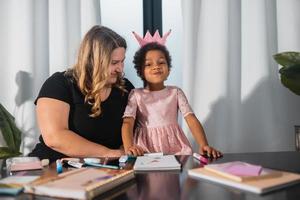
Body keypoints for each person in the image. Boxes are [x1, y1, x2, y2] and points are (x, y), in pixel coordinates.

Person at [29, 25, 134, 163]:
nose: (120, 68)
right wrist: (108, 153)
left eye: (122, 61)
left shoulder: (125, 88)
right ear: (93, 60)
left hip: (105, 171)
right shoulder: (59, 84)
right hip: (52, 167)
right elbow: (54, 138)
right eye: (114, 62)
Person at [121, 30, 222, 158]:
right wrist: (129, 147)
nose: (156, 67)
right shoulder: (136, 95)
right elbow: (127, 123)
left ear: (169, 69)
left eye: (161, 62)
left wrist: (203, 144)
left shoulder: (175, 92)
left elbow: (191, 119)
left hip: (175, 147)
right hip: (145, 148)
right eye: (148, 64)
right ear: (141, 71)